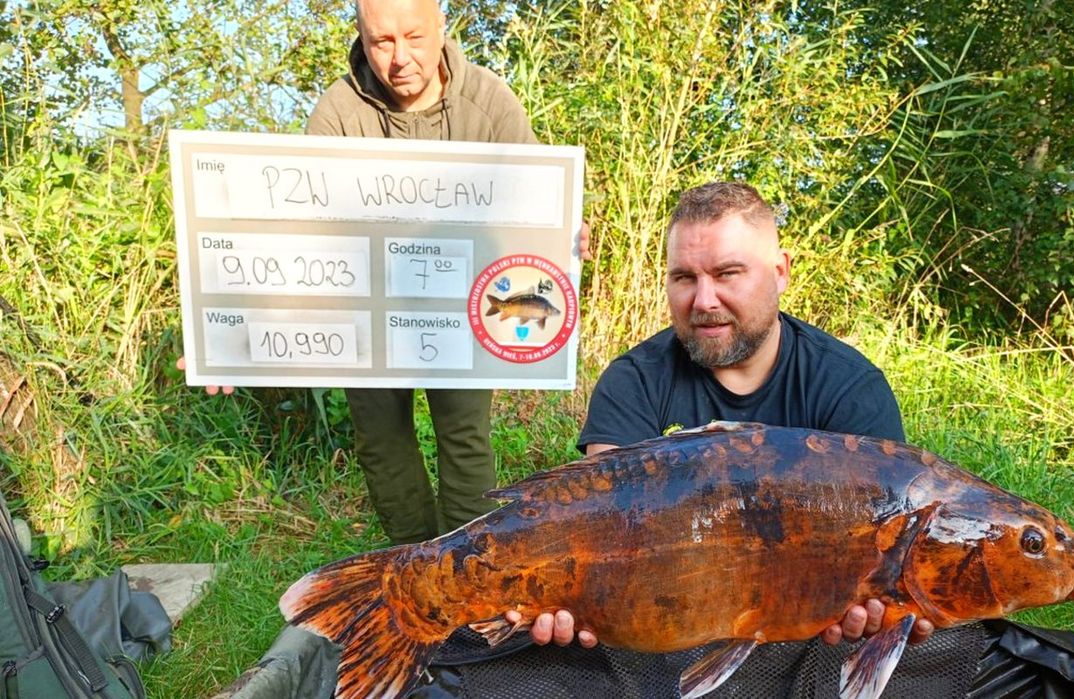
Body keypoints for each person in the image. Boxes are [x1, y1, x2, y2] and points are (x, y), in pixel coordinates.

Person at [519, 181, 933, 651]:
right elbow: (603, 530)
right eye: (684, 278)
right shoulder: (634, 380)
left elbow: (888, 549)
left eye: (727, 274)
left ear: (779, 272)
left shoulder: (850, 387)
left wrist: (890, 611)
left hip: (810, 640)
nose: (704, 301)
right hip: (666, 620)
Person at [304, 0, 540, 545]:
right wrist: (225, 336)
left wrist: (567, 233)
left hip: (464, 302)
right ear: (362, 38)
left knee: (464, 435)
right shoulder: (337, 112)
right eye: (381, 42)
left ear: (441, 27)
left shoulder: (489, 100)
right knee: (380, 440)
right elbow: (304, 230)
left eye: (413, 37)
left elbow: (536, 200)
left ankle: (464, 565)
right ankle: (412, 560)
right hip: (369, 303)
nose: (399, 58)